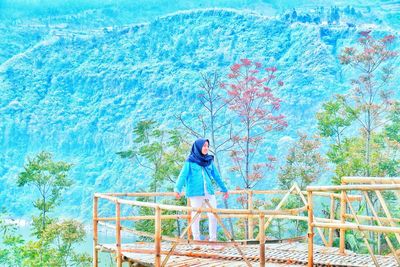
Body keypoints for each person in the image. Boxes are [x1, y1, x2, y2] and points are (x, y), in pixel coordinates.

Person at [174, 138, 229, 249]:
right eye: (204, 146)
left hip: (209, 192)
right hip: (195, 192)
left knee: (213, 215)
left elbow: (216, 176)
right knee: (196, 216)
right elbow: (183, 175)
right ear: (198, 147)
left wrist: (224, 189)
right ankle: (197, 242)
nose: (206, 148)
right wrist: (177, 189)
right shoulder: (190, 161)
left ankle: (213, 242)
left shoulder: (209, 160)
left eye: (207, 146)